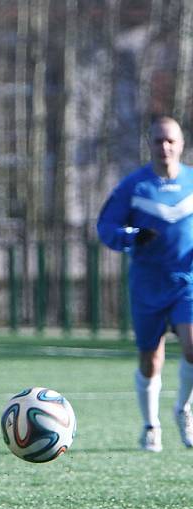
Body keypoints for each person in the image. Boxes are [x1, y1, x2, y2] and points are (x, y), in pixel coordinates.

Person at [98, 115, 193, 453]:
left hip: (187, 282)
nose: (164, 147)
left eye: (171, 140)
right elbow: (106, 227)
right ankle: (150, 426)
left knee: (192, 346)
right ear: (149, 144)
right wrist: (132, 236)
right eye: (158, 140)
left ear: (181, 144)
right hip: (148, 285)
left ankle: (184, 410)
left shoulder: (192, 183)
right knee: (150, 359)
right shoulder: (134, 187)